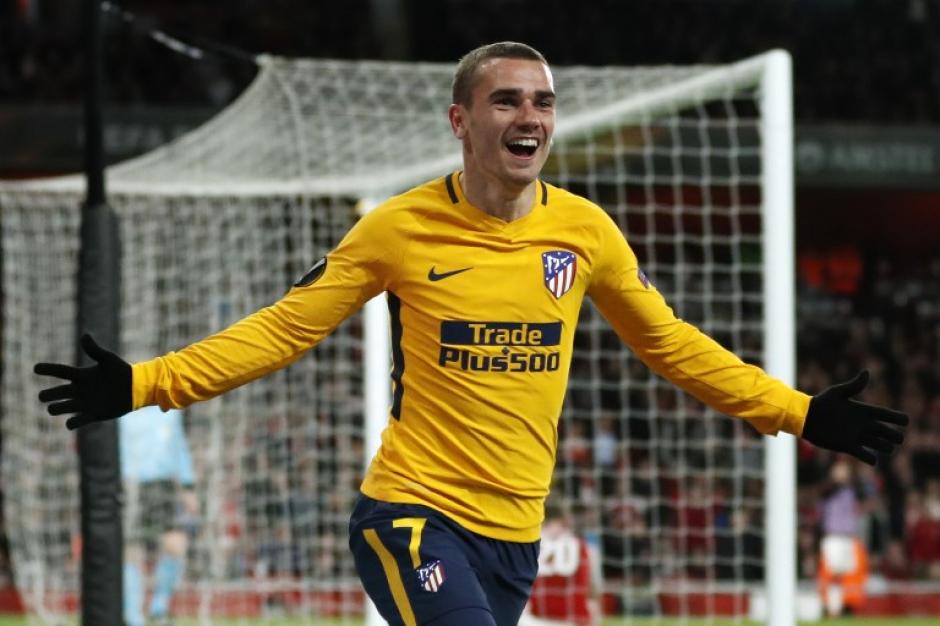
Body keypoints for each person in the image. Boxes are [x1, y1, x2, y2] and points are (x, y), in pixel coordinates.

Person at [34, 42, 908, 626]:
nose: (529, 117)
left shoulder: (586, 234)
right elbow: (282, 331)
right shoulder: (396, 230)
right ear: (461, 121)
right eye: (506, 101)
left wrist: (796, 412)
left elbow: (673, 344)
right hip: (409, 515)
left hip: (513, 535)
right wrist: (148, 385)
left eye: (543, 103)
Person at [120, 405, 199, 626]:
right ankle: (132, 614)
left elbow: (179, 446)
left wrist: (188, 485)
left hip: (162, 485)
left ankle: (159, 607)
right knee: (130, 551)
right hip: (129, 484)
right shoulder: (121, 409)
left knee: (176, 545)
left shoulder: (170, 409)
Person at [520, 499, 601, 626]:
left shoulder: (529, 544)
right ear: (565, 518)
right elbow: (594, 590)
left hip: (535, 620)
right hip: (574, 620)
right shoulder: (582, 546)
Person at [816, 460, 869, 617]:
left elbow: (863, 494)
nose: (842, 473)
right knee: (832, 574)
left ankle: (843, 606)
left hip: (848, 537)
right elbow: (825, 492)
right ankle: (832, 608)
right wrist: (837, 480)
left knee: (845, 575)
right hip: (832, 536)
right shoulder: (828, 489)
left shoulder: (852, 489)